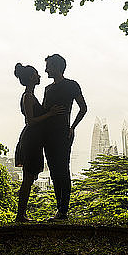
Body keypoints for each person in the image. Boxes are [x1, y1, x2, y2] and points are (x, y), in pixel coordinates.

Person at [14, 63, 63, 222]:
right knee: (28, 178)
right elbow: (31, 121)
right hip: (31, 139)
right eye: (36, 74)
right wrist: (50, 113)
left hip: (35, 139)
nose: (39, 76)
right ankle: (20, 215)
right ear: (30, 78)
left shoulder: (31, 95)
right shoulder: (28, 96)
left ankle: (21, 214)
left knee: (29, 177)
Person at [42, 54, 87, 221]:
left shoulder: (71, 85)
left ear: (57, 67)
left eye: (49, 66)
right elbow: (45, 111)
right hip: (48, 134)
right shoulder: (48, 89)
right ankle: (59, 209)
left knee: (63, 171)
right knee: (54, 172)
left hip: (63, 133)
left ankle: (63, 210)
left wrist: (72, 127)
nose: (46, 70)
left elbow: (83, 108)